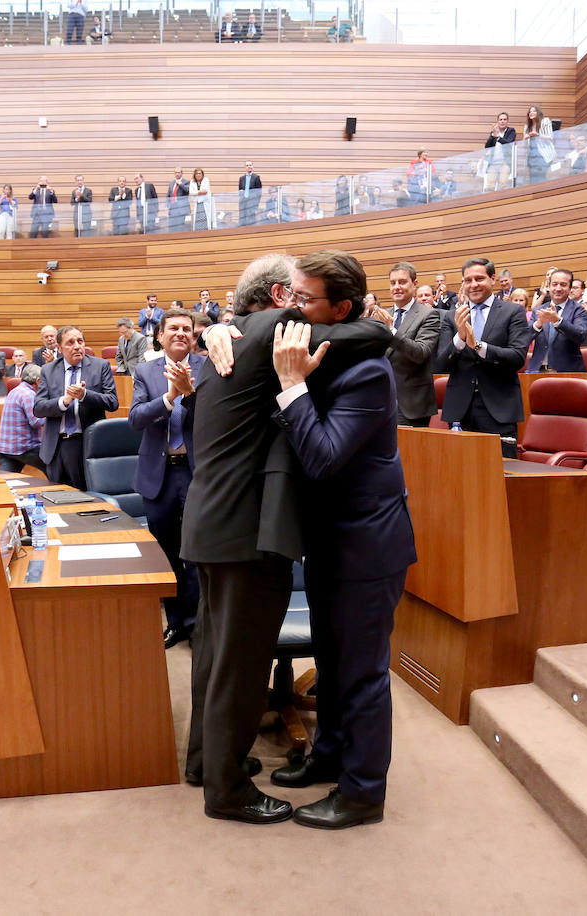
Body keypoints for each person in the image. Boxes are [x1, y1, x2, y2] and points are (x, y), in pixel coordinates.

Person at [181, 251, 395, 824]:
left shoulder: (231, 343)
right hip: (245, 529)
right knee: (240, 665)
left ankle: (207, 762)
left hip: (213, 521)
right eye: (295, 298)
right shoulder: (275, 332)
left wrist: (217, 328)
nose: (301, 310)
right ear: (278, 299)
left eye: (309, 300)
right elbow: (374, 333)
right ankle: (226, 790)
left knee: (214, 654)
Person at [264, 251, 415, 830]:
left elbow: (324, 456)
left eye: (305, 300)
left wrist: (291, 389)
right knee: (330, 662)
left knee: (362, 674)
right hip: (330, 542)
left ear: (341, 308)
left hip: (368, 549)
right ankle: (328, 758)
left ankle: (362, 792)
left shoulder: (369, 372)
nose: (293, 309)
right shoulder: (331, 356)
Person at [128, 309, 204, 647]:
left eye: (186, 328)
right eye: (172, 327)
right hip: (158, 475)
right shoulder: (145, 371)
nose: (180, 333)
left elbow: (215, 418)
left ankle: (200, 623)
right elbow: (137, 418)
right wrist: (169, 397)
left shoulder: (210, 368)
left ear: (194, 336)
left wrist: (189, 393)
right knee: (167, 552)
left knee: (198, 552)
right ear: (159, 336)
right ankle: (176, 621)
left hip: (196, 473)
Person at [435, 257, 531, 455]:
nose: (473, 285)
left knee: (500, 475)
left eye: (479, 279)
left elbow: (518, 357)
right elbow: (440, 364)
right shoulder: (453, 316)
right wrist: (460, 339)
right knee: (460, 476)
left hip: (499, 408)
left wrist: (479, 346)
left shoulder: (513, 312)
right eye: (468, 280)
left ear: (492, 279)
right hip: (460, 409)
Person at [33, 326, 118, 487]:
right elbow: (38, 408)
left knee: (87, 499)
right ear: (59, 348)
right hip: (56, 447)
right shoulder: (48, 370)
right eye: (70, 343)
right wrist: (64, 401)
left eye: (80, 341)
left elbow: (112, 402)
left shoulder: (100, 366)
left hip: (87, 444)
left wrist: (84, 395)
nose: (77, 346)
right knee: (57, 499)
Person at [383, 262, 442, 427]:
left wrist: (391, 331)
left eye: (402, 282)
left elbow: (421, 353)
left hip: (412, 404)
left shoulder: (428, 314)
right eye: (393, 283)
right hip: (382, 400)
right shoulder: (383, 314)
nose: (397, 287)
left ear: (414, 284)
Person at [527, 269, 587, 372]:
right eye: (554, 284)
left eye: (563, 284)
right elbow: (523, 338)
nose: (558, 288)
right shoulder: (538, 310)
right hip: (537, 371)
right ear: (549, 287)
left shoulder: (579, 309)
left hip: (568, 372)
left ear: (570, 288)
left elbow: (581, 335)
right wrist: (538, 324)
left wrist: (558, 321)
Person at [0, 363, 46, 473]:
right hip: (24, 448)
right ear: (38, 381)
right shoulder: (29, 394)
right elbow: (36, 421)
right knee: (55, 467)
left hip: (5, 448)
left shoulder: (14, 391)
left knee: (8, 485)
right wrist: (53, 414)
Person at [522, 105, 556, 184]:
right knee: (532, 179)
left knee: (541, 177)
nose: (531, 113)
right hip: (531, 155)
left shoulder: (545, 121)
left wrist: (537, 135)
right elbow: (524, 141)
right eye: (530, 112)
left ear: (538, 112)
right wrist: (527, 136)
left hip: (543, 154)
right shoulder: (527, 126)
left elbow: (550, 137)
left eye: (534, 111)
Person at [483, 111, 516, 190]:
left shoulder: (511, 131)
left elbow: (509, 143)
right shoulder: (494, 132)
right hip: (493, 163)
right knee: (489, 186)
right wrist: (493, 135)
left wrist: (498, 137)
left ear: (507, 121)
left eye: (504, 119)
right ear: (498, 121)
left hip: (505, 163)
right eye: (500, 119)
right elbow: (487, 147)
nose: (502, 121)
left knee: (503, 184)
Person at [238, 161, 262, 227]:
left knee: (251, 221)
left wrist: (256, 205)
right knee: (242, 220)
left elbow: (259, 193)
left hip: (252, 203)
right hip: (243, 202)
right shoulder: (241, 178)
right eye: (247, 165)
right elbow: (240, 191)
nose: (249, 166)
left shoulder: (256, 177)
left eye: (250, 165)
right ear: (245, 167)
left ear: (252, 166)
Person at [166, 167, 190, 232]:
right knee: (171, 227)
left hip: (181, 209)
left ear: (182, 173)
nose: (177, 174)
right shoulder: (171, 183)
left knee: (180, 227)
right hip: (172, 208)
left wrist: (180, 184)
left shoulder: (186, 182)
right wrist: (167, 204)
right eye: (176, 172)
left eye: (178, 172)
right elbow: (168, 195)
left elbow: (187, 190)